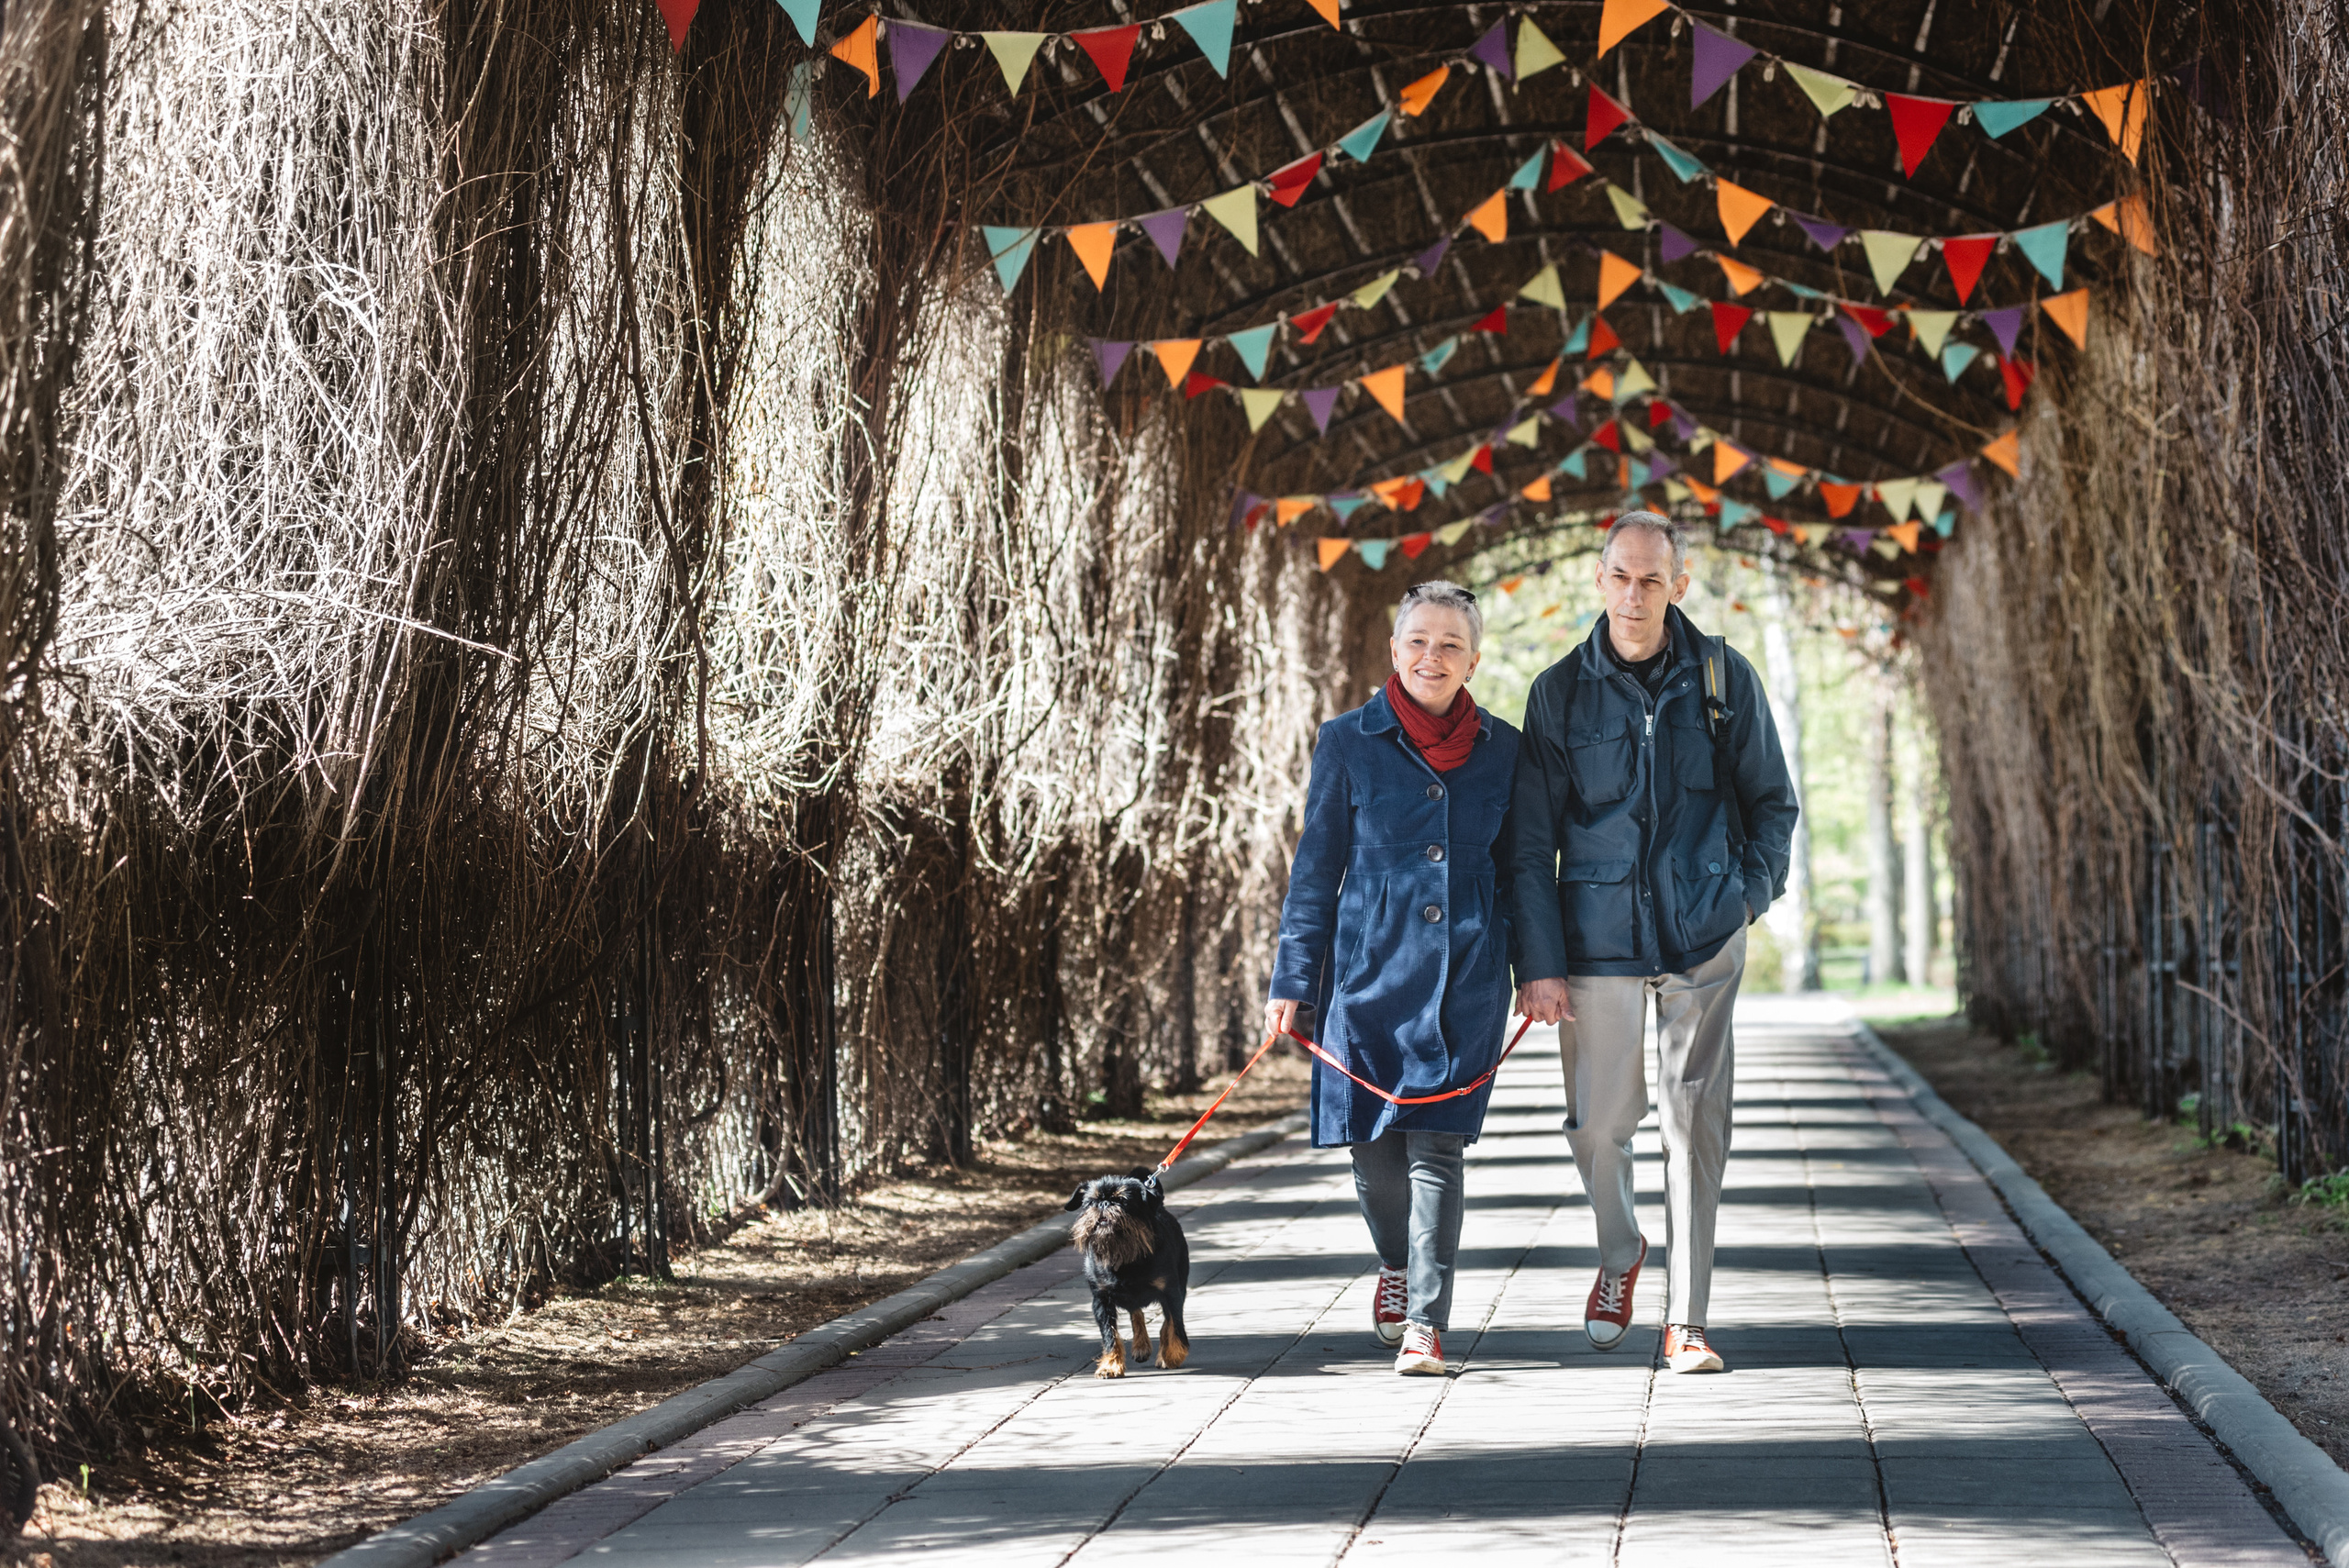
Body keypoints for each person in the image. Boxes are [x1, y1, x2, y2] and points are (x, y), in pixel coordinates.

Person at [1509, 513, 1797, 1375]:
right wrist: (1540, 962)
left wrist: (1745, 897)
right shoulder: (1557, 692)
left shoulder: (1724, 678)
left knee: (1694, 1122)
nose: (1634, 596)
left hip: (1703, 932)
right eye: (1620, 578)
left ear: (1679, 584)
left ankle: (1687, 1319)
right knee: (1599, 1127)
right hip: (1593, 940)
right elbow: (1530, 843)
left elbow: (1772, 805)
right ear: (1599, 581)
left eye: (1651, 580)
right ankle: (1621, 1247)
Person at [1267, 581, 1520, 1377]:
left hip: (1467, 979)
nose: (1432, 656)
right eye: (1418, 640)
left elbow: (1525, 872)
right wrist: (1292, 980)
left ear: (1474, 658)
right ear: (1394, 650)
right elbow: (1316, 869)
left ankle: (1425, 1325)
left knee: (1437, 1152)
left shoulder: (1507, 750)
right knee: (1373, 1156)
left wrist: (1540, 972)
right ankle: (1397, 1260)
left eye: (1450, 643)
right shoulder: (1346, 741)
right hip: (1366, 976)